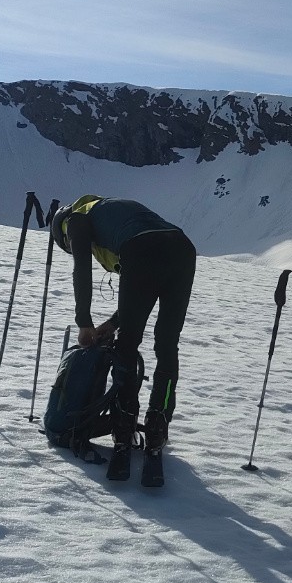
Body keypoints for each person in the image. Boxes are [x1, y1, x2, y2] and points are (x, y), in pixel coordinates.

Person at [52, 195, 197, 485]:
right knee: (167, 345)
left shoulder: (77, 219)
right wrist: (112, 323)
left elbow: (82, 268)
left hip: (142, 250)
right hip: (182, 249)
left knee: (127, 346)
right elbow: (148, 276)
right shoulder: (113, 208)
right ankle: (157, 427)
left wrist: (84, 323)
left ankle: (124, 429)